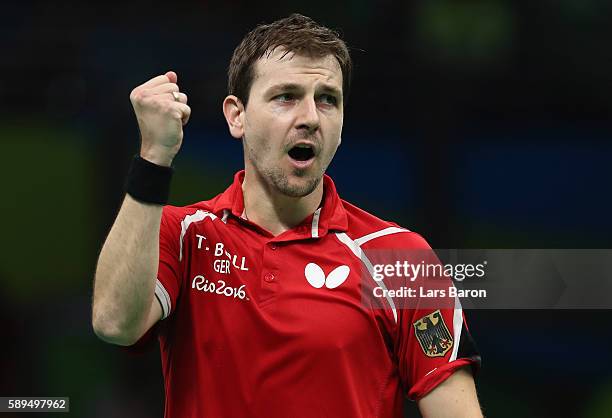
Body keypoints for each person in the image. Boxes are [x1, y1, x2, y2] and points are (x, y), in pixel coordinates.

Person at [92, 13, 482, 418]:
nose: (311, 118)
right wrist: (155, 158)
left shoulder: (399, 259)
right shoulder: (186, 234)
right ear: (236, 115)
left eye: (328, 99)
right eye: (286, 97)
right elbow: (115, 322)